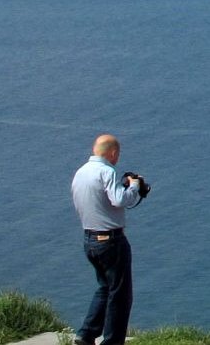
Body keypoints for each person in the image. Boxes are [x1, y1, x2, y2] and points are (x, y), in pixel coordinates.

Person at [70, 133, 149, 345]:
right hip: (111, 241)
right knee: (120, 295)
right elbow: (119, 199)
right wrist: (133, 186)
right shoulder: (107, 172)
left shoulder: (80, 173)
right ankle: (112, 342)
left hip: (89, 239)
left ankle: (86, 334)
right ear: (113, 153)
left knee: (105, 287)